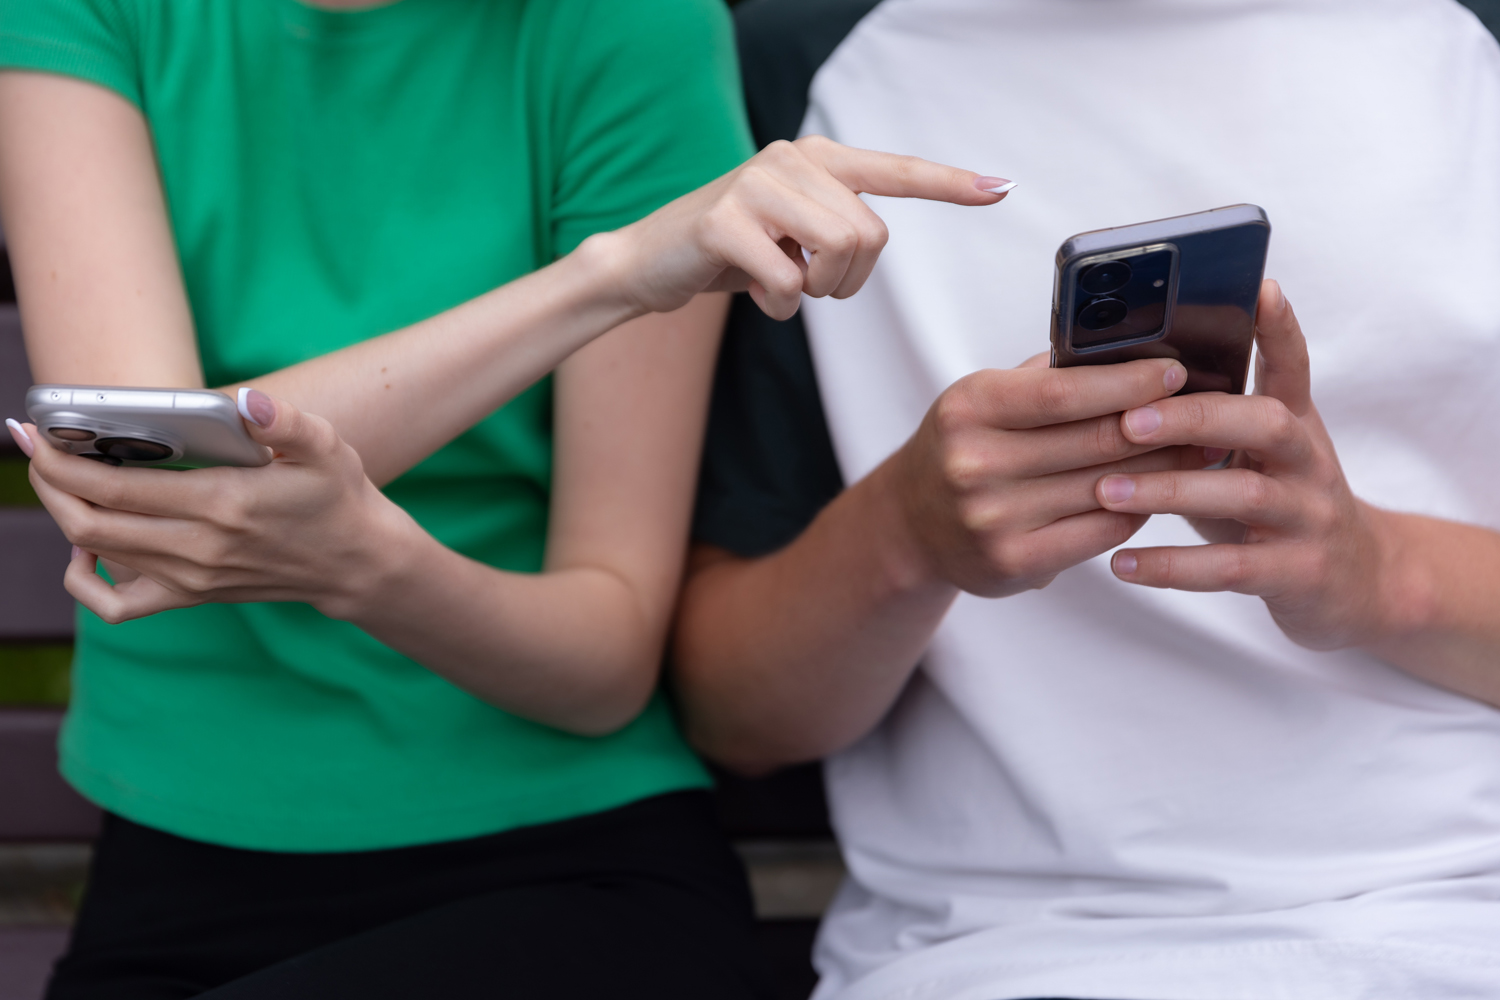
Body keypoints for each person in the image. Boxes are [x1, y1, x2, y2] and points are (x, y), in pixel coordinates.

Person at [0, 1, 1009, 996]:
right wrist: (607, 279)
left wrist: (374, 568)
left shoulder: (628, 28)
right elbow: (147, 488)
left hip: (565, 873)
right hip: (173, 868)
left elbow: (603, 664)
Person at [674, 0, 1500, 998]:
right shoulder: (805, 75)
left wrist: (1380, 572)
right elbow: (736, 718)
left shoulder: (1467, 45)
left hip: (1456, 916)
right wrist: (906, 533)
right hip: (999, 954)